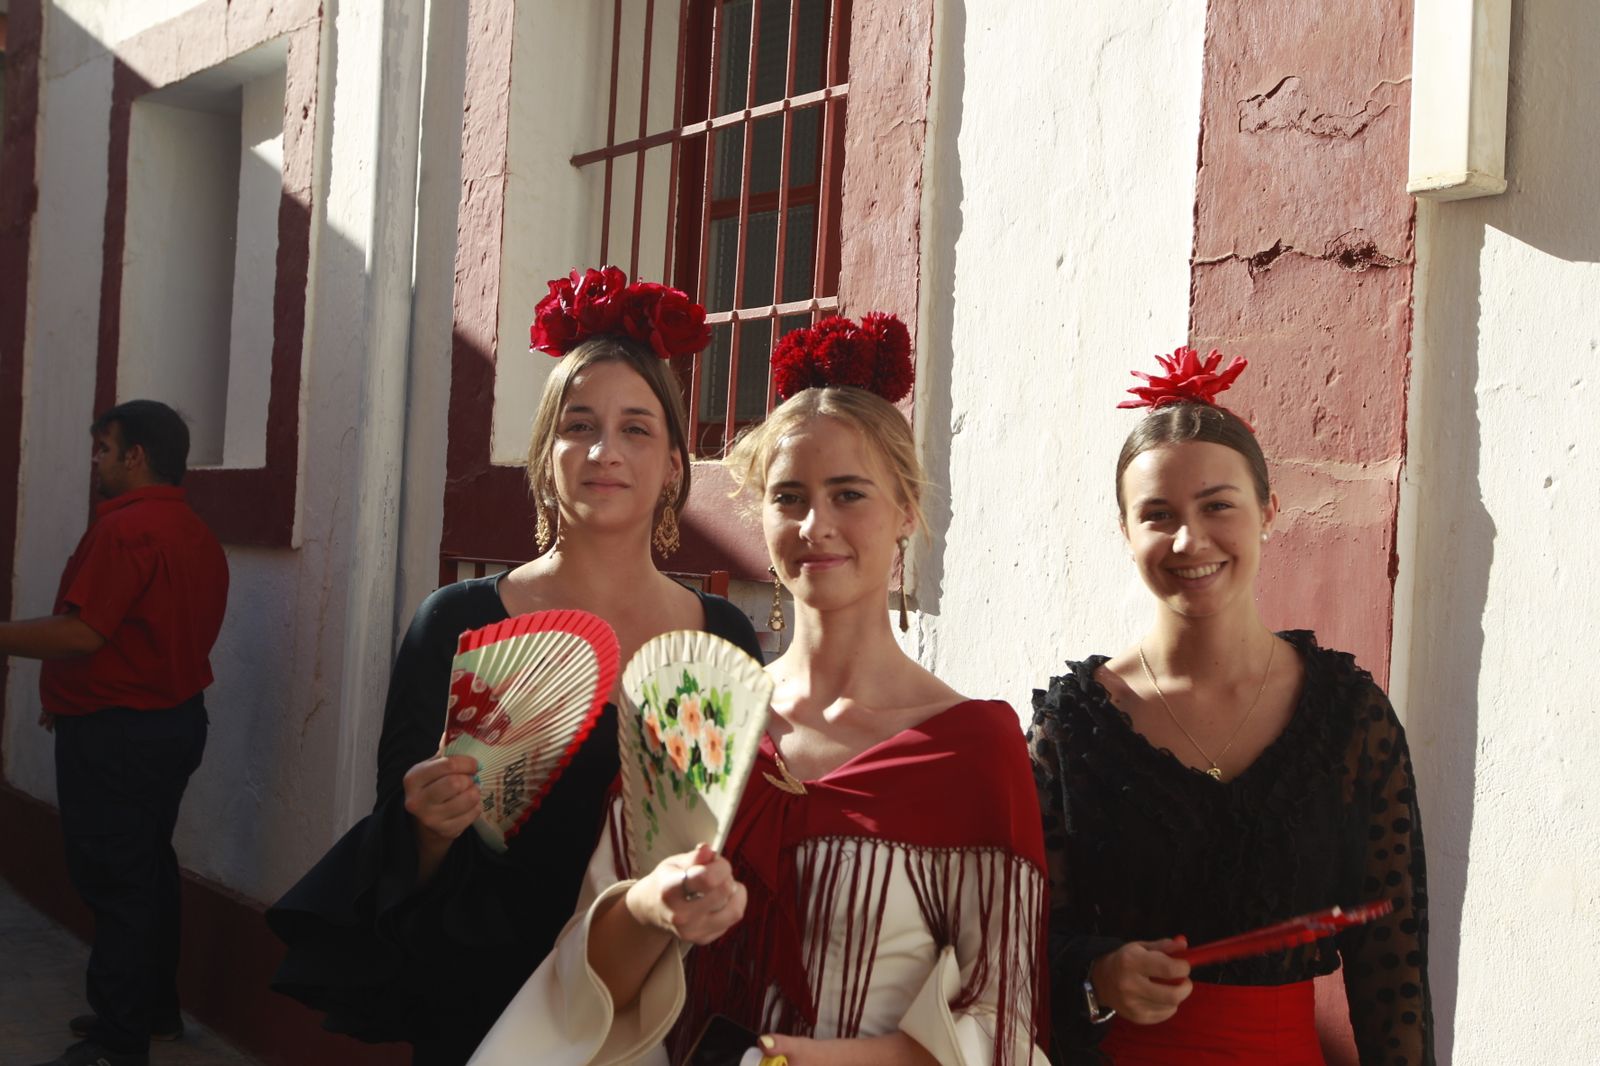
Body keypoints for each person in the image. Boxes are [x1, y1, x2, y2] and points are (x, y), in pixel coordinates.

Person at [469, 312, 1049, 1066]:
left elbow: (1004, 1018)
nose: (815, 524)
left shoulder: (972, 749)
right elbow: (589, 983)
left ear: (907, 510)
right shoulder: (696, 715)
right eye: (788, 497)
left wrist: (804, 1060)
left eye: (849, 495)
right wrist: (653, 907)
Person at [265, 268, 763, 1066]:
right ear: (546, 450)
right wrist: (429, 825)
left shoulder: (722, 639)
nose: (604, 451)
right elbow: (403, 855)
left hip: (653, 1010)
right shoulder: (457, 623)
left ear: (675, 463)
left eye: (637, 428)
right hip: (485, 1007)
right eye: (579, 425)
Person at [1027, 348, 1432, 1065]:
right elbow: (1017, 943)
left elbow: (1391, 973)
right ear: (1126, 533)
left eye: (1218, 506)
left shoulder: (1348, 717)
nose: (1190, 540)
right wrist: (1097, 974)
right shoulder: (1073, 728)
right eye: (1157, 515)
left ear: (1269, 511)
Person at [0, 400, 229, 1066]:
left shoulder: (127, 531)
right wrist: (66, 695)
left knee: (115, 880)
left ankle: (116, 1040)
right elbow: (139, 638)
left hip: (119, 734)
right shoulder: (191, 532)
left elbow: (84, 631)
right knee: (148, 869)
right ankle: (154, 1010)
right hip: (171, 722)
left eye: (103, 448)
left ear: (136, 456)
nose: (95, 461)